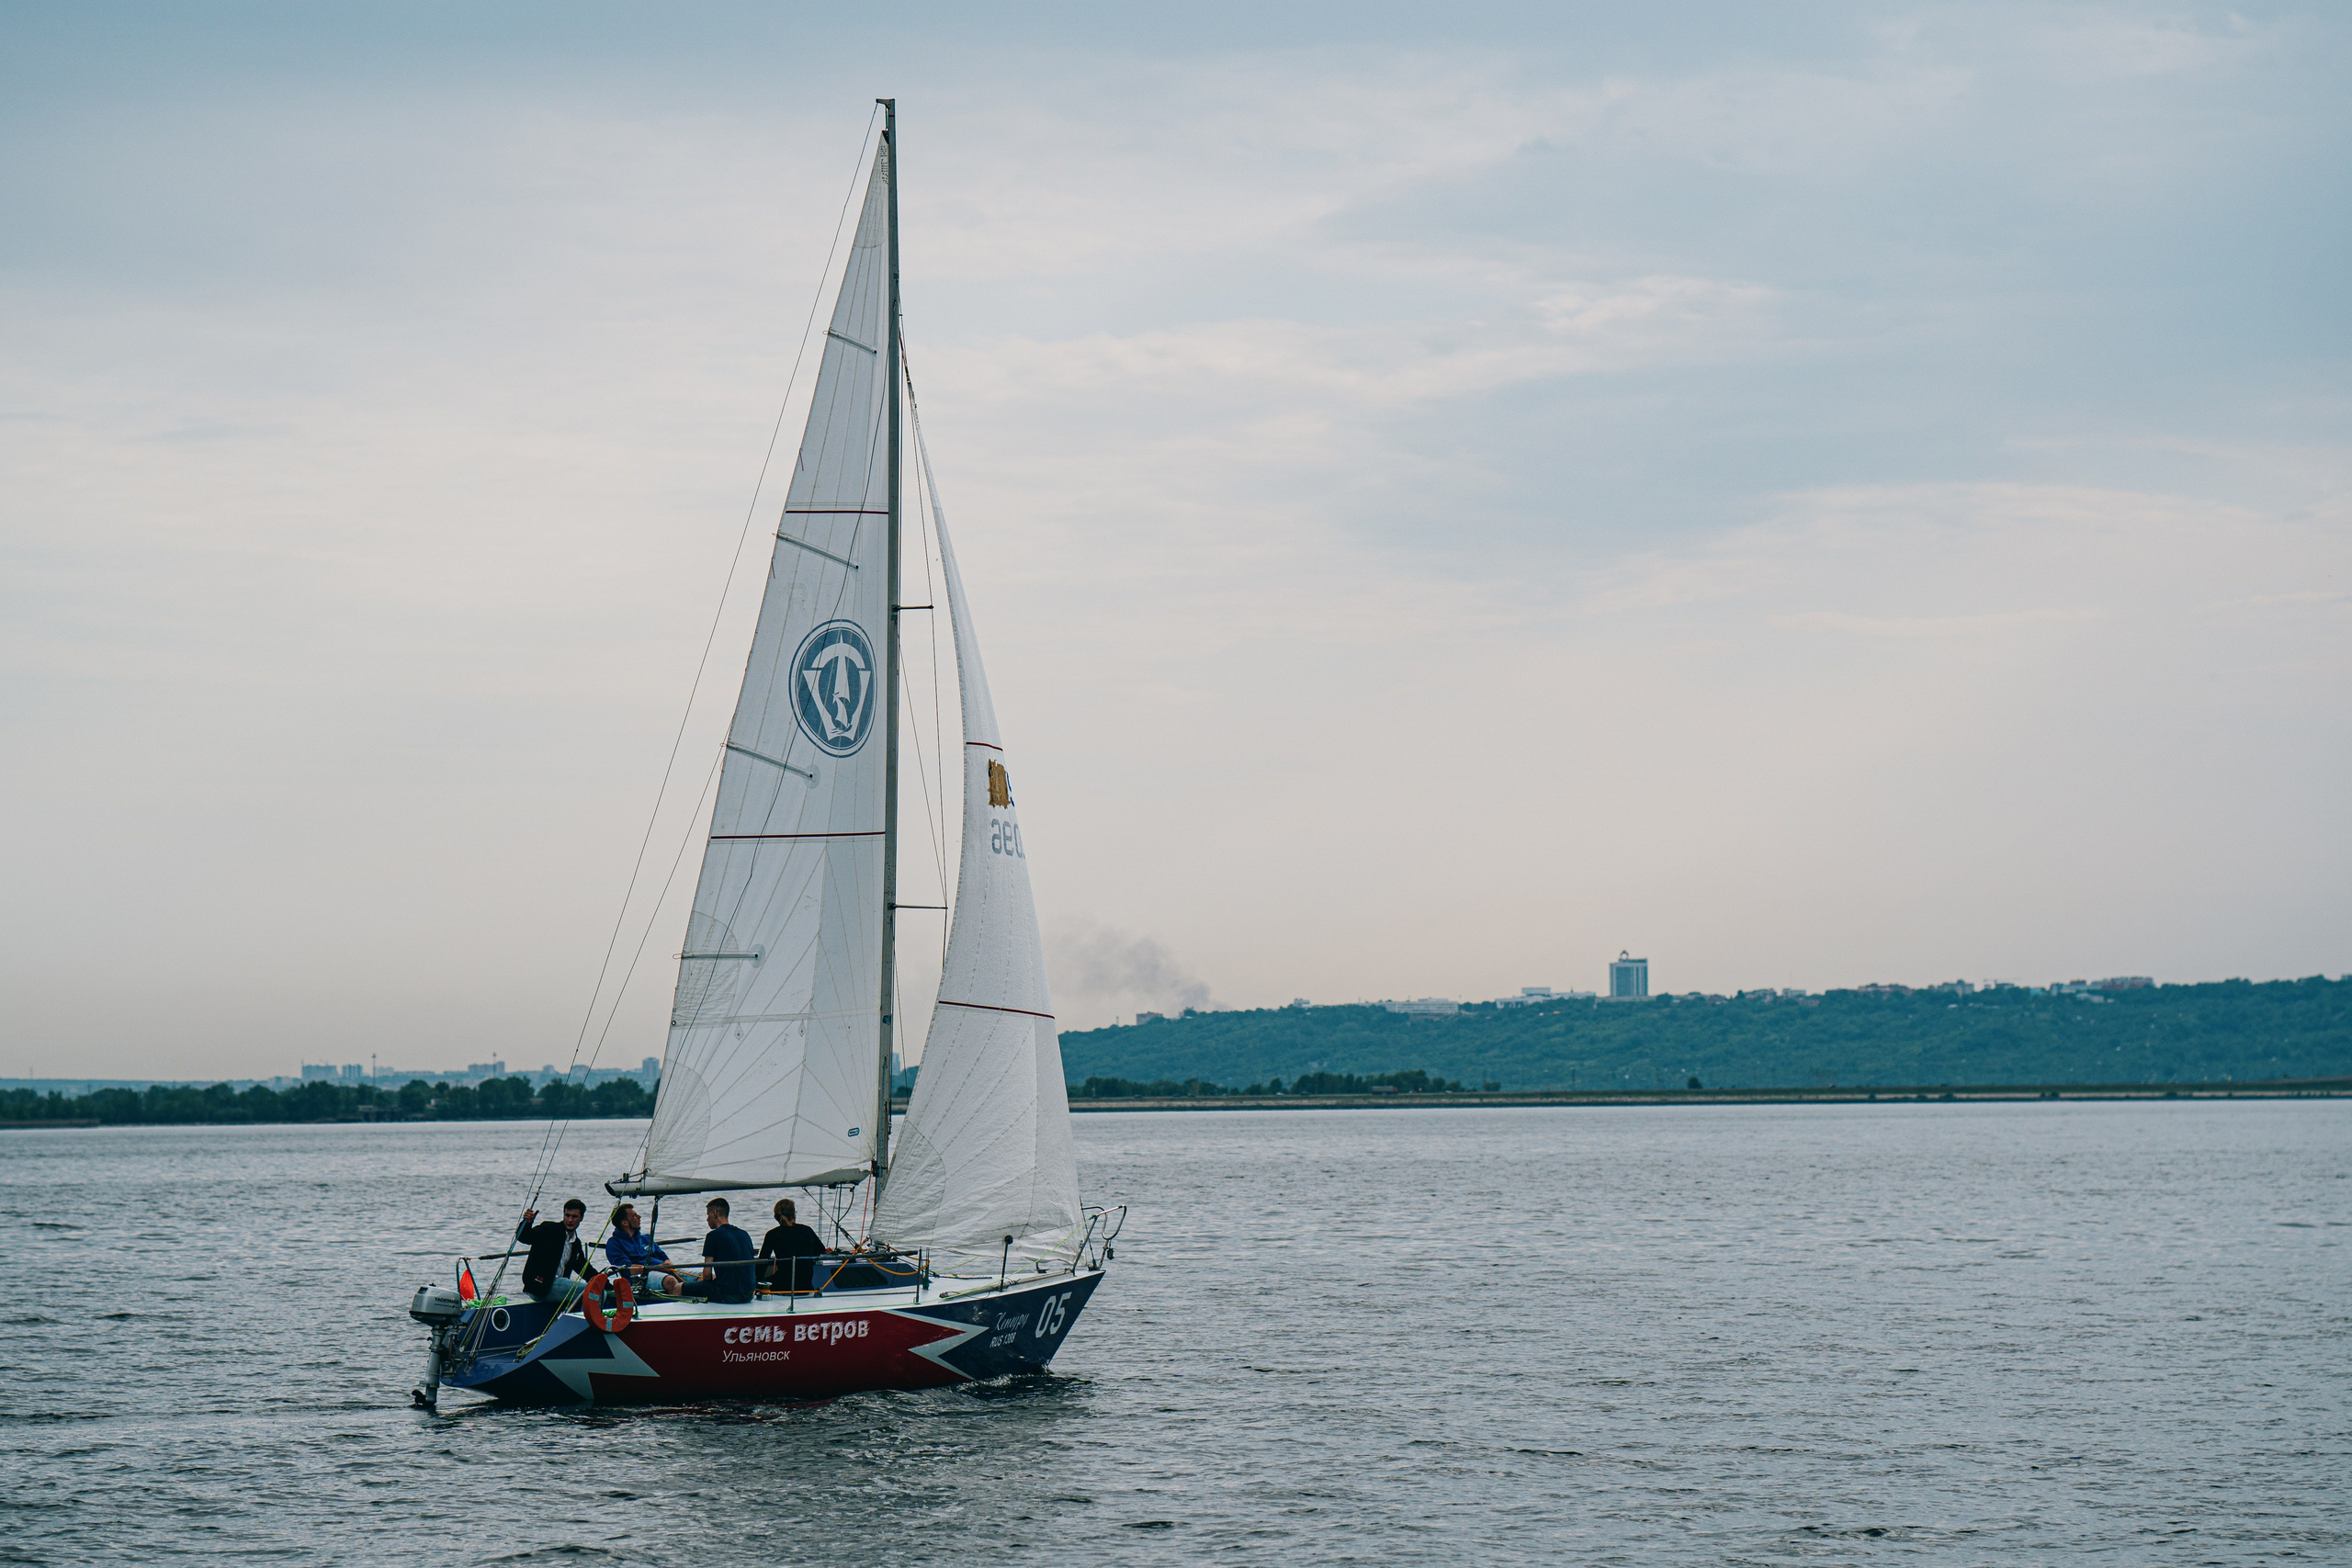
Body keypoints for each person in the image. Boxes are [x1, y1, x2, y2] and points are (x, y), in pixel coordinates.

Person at [514, 1199, 590, 1308]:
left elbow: (585, 1269)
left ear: (581, 1218)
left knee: (596, 1290)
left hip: (557, 1286)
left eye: (574, 1217)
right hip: (538, 1286)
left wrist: (606, 1285)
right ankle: (587, 1323)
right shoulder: (549, 1229)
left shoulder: (576, 1244)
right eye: (567, 1215)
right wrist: (527, 1223)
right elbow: (524, 1237)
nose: (570, 1220)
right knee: (590, 1292)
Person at [679, 1198, 755, 1304]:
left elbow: (706, 1275)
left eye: (708, 1215)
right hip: (749, 1294)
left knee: (678, 1287)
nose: (707, 1220)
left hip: (727, 1294)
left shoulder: (713, 1236)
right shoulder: (744, 1234)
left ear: (714, 1213)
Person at [602, 1203, 679, 1299]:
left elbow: (663, 1256)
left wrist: (667, 1264)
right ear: (625, 1223)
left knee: (700, 1276)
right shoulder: (614, 1243)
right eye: (634, 1216)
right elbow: (626, 1269)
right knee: (670, 1281)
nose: (639, 1217)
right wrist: (658, 1268)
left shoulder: (646, 1238)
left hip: (665, 1270)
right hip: (640, 1277)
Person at [758, 1198, 824, 1292]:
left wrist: (758, 1280)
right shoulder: (807, 1230)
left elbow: (763, 1261)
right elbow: (821, 1250)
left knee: (765, 1282)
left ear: (775, 1217)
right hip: (806, 1284)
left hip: (783, 1284)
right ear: (794, 1215)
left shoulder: (772, 1234)